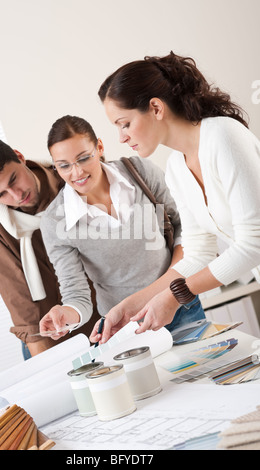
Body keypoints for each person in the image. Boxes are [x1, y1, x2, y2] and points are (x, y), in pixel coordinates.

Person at [90, 50, 260, 344]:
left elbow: (255, 242)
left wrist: (175, 296)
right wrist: (131, 306)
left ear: (155, 108)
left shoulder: (222, 136)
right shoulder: (176, 168)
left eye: (125, 123)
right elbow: (198, 253)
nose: (121, 138)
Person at [38, 115, 205, 339]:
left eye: (84, 158)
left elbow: (185, 226)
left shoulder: (139, 172)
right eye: (64, 166)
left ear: (99, 147)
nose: (76, 173)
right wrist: (65, 315)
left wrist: (171, 286)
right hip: (125, 326)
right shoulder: (56, 221)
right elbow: (77, 295)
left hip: (178, 302)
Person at [0, 136, 100, 359]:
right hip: (45, 337)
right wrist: (47, 367)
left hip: (105, 316)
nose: (16, 196)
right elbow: (17, 294)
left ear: (19, 156)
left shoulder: (71, 177)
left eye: (14, 179)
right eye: (1, 195)